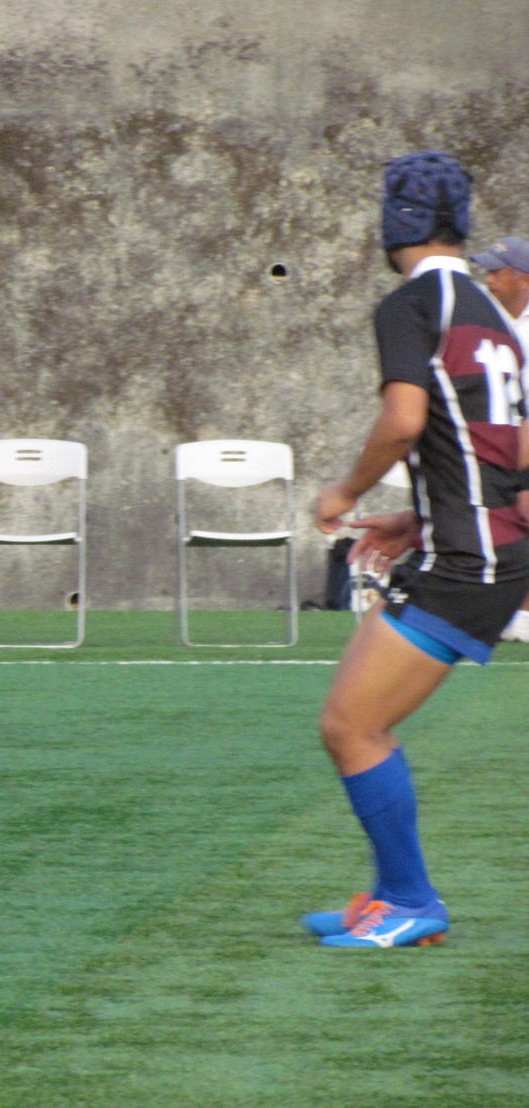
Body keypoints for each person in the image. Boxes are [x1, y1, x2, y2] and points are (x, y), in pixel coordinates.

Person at [304, 152, 529, 948]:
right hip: (481, 547)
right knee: (353, 719)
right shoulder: (493, 312)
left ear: (393, 221)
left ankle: (410, 901)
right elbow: (506, 450)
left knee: (351, 726)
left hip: (468, 561)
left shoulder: (411, 303)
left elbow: (404, 421)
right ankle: (392, 895)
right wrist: (420, 515)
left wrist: (344, 492)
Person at [467, 235, 529, 642]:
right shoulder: (484, 319)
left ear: (523, 278)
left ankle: (523, 611)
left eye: (497, 272)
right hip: (498, 435)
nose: (488, 280)